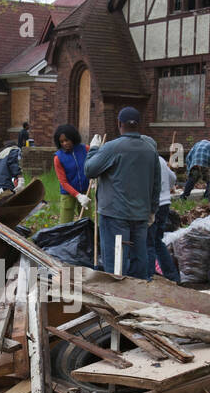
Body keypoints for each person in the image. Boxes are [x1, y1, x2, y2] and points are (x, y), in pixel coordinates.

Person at [84, 106, 160, 278]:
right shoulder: (150, 150)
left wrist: (94, 150)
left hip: (114, 215)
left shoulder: (112, 148)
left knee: (115, 264)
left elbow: (90, 170)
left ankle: (117, 298)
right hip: (140, 215)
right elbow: (156, 183)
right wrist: (153, 210)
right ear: (138, 125)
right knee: (138, 259)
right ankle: (137, 297)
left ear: (119, 123)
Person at [147, 152, 181, 282]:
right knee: (157, 241)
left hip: (153, 204)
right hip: (165, 203)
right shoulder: (160, 159)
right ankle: (172, 276)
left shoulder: (146, 159)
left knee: (148, 242)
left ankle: (149, 277)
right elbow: (172, 178)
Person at [52, 124, 89, 223]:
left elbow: (94, 165)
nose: (65, 143)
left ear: (73, 137)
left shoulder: (85, 149)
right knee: (65, 225)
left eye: (67, 140)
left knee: (86, 222)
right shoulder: (58, 158)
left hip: (86, 192)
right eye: (61, 141)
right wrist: (78, 195)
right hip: (68, 194)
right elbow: (63, 182)